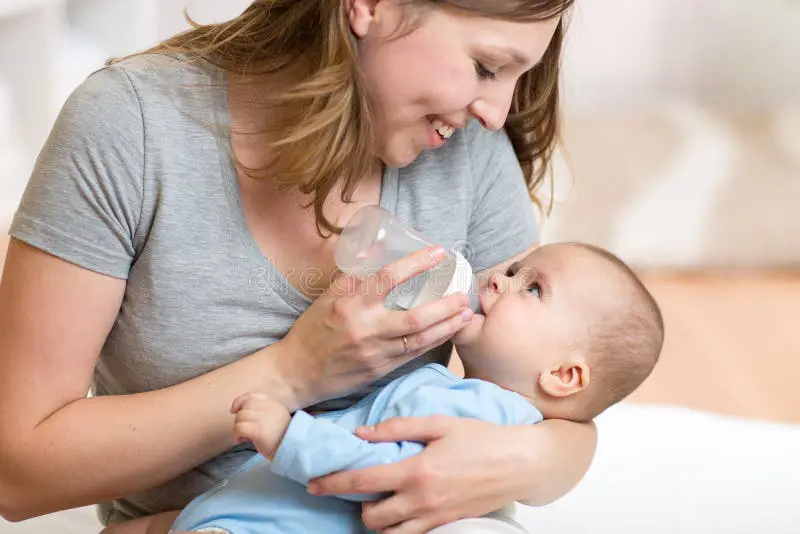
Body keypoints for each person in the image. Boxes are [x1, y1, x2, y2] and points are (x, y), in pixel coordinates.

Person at [0, 1, 596, 533]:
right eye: (487, 68)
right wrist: (289, 374)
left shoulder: (468, 156)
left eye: (520, 76)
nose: (499, 112)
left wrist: (523, 462)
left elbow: (561, 404)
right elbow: (16, 474)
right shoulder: (131, 126)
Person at [106, 241, 664, 534]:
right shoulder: (457, 393)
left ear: (563, 377)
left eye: (532, 288)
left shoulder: (479, 418)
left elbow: (379, 471)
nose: (499, 278)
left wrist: (286, 435)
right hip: (242, 507)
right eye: (517, 267)